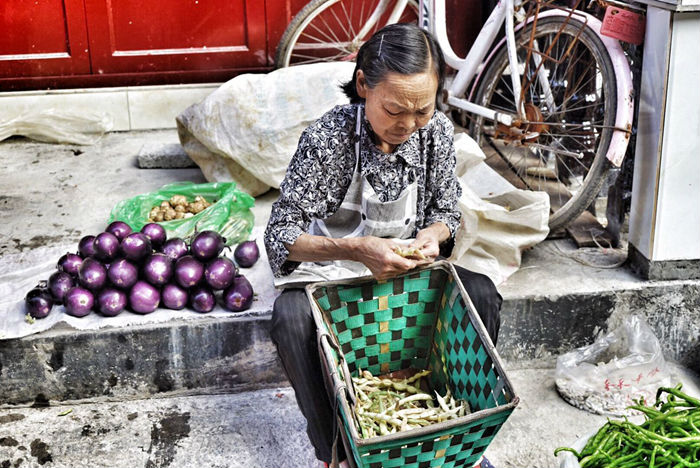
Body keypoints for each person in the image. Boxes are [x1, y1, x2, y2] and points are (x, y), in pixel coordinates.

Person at [264, 23, 502, 468]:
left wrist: (432, 236)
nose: (408, 125)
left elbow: (447, 212)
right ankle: (335, 448)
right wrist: (358, 250)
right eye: (394, 109)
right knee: (290, 318)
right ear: (362, 86)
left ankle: (455, 431)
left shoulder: (436, 135)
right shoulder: (328, 140)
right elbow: (280, 236)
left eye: (422, 111)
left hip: (407, 274)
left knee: (482, 293)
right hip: (337, 275)